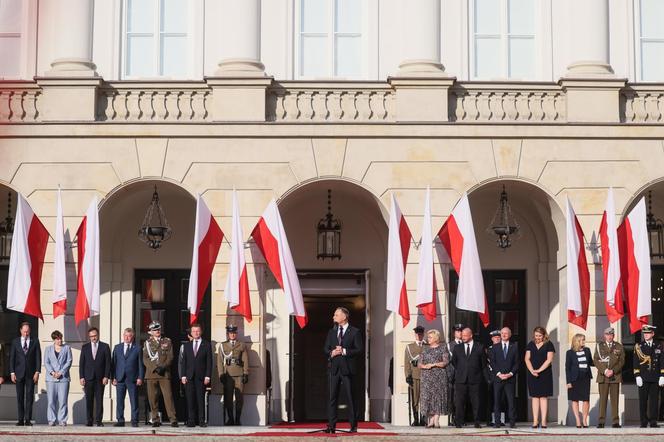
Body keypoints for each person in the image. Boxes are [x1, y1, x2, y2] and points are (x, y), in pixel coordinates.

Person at [322, 307, 363, 434]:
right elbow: (325, 349)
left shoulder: (355, 332)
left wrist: (344, 351)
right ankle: (331, 426)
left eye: (336, 315)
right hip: (334, 369)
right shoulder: (331, 332)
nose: (333, 317)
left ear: (344, 317)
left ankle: (353, 426)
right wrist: (332, 352)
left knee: (350, 397)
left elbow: (359, 349)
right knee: (332, 398)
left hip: (348, 369)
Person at [143, 321, 178, 427]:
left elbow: (170, 356)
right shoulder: (147, 343)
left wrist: (163, 367)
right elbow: (145, 359)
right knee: (153, 398)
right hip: (151, 374)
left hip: (164, 373)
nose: (157, 331)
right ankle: (155, 419)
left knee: (168, 397)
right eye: (155, 330)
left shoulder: (167, 341)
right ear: (151, 332)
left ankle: (173, 419)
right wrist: (154, 368)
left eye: (158, 329)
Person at [451, 327, 486, 428]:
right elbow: (454, 362)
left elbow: (483, 363)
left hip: (475, 379)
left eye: (465, 336)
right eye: (462, 336)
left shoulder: (479, 347)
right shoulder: (457, 348)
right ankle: (459, 422)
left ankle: (477, 421)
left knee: (476, 402)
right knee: (459, 402)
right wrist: (462, 370)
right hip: (461, 379)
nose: (463, 338)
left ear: (471, 335)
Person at [9, 322, 41, 426]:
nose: (26, 333)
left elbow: (38, 357)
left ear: (30, 331)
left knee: (29, 397)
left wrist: (37, 372)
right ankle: (20, 419)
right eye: (24, 331)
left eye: (28, 332)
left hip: (31, 374)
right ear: (21, 330)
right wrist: (12, 372)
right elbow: (12, 358)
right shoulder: (15, 342)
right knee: (20, 397)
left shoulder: (35, 341)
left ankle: (27, 419)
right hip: (18, 373)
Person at [111, 327, 144, 427]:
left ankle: (134, 420)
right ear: (123, 336)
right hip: (120, 378)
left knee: (134, 400)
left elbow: (140, 364)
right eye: (125, 335)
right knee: (119, 401)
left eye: (129, 336)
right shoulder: (117, 347)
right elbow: (113, 364)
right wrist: (113, 377)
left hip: (132, 378)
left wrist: (140, 377)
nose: (127, 338)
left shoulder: (137, 348)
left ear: (132, 337)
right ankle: (120, 420)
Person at [181, 323, 212, 427]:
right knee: (190, 399)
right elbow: (184, 361)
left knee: (200, 399)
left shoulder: (206, 345)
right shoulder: (187, 345)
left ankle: (201, 420)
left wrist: (208, 376)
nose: (196, 333)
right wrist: (183, 375)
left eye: (197, 331)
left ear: (201, 332)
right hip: (189, 376)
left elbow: (209, 362)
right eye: (194, 331)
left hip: (201, 377)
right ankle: (191, 420)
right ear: (191, 333)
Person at [592, 326, 624, 428]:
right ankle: (601, 421)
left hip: (615, 376)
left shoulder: (619, 346)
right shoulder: (599, 346)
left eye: (611, 334)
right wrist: (605, 370)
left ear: (613, 335)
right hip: (603, 376)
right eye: (607, 334)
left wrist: (613, 371)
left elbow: (622, 361)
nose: (609, 336)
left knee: (615, 400)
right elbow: (596, 360)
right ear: (604, 335)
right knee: (603, 399)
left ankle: (615, 422)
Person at [218, 324, 250, 426]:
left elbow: (245, 359)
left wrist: (245, 373)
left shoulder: (241, 345)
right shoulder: (223, 346)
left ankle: (237, 419)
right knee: (228, 398)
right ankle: (230, 418)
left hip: (239, 374)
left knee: (239, 398)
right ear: (228, 334)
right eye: (230, 333)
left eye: (234, 333)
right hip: (228, 375)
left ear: (236, 334)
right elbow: (219, 361)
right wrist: (221, 374)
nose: (232, 335)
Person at [79, 327, 111, 426]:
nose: (93, 338)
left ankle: (99, 421)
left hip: (100, 378)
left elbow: (108, 363)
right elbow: (82, 363)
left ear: (98, 335)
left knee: (99, 400)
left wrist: (106, 376)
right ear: (89, 337)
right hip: (88, 378)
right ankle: (89, 420)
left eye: (95, 336)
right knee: (89, 400)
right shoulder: (85, 347)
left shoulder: (105, 346)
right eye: (91, 336)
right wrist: (81, 377)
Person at [418, 329, 450, 428]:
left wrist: (434, 364)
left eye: (430, 337)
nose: (428, 339)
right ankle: (430, 420)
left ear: (436, 338)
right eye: (428, 337)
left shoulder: (443, 348)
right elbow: (419, 363)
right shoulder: (425, 349)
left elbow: (445, 362)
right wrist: (424, 366)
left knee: (438, 397)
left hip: (439, 377)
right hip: (427, 377)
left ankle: (436, 420)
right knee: (428, 398)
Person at [634, 324, 664, 428]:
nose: (645, 335)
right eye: (644, 333)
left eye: (648, 333)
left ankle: (653, 421)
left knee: (654, 401)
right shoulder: (639, 346)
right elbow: (636, 362)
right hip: (643, 377)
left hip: (655, 377)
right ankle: (643, 421)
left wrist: (662, 375)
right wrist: (637, 375)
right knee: (643, 400)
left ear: (653, 334)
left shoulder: (658, 345)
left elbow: (661, 361)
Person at [525, 326, 555, 429]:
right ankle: (535, 421)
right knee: (534, 397)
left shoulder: (549, 344)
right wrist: (532, 370)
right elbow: (527, 359)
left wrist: (539, 370)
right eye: (536, 335)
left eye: (539, 336)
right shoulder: (530, 344)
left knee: (543, 397)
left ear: (544, 335)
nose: (537, 337)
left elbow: (549, 360)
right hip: (532, 374)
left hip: (544, 374)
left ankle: (543, 422)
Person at [488, 327, 518, 428]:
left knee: (511, 401)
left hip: (510, 379)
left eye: (506, 333)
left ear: (510, 335)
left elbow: (517, 363)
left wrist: (510, 374)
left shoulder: (514, 347)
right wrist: (499, 374)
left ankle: (512, 422)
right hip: (498, 378)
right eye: (502, 333)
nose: (504, 335)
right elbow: (493, 362)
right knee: (497, 401)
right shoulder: (495, 347)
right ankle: (497, 422)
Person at [44, 330, 72, 426]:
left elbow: (69, 361)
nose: (60, 341)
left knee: (63, 400)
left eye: (61, 338)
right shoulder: (48, 349)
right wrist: (52, 372)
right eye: (58, 339)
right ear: (54, 339)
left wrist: (61, 372)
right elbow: (46, 362)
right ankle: (51, 419)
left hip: (63, 378)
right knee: (51, 400)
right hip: (51, 379)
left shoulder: (67, 348)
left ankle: (62, 419)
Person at [565, 333, 593, 428]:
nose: (584, 342)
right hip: (574, 379)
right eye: (582, 340)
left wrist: (601, 360)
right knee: (575, 399)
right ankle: (577, 419)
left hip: (585, 378)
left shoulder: (587, 350)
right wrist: (568, 382)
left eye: (584, 340)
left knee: (586, 400)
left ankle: (584, 420)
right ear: (577, 341)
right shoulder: (570, 353)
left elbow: (591, 362)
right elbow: (567, 368)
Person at [404, 325, 426, 426]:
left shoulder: (427, 346)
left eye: (420, 334)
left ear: (423, 334)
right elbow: (407, 363)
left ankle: (423, 418)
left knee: (425, 398)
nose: (419, 336)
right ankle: (416, 418)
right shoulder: (410, 347)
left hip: (426, 376)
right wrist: (408, 376)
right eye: (417, 334)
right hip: (415, 376)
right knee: (415, 399)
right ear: (415, 335)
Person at [447, 323, 464, 426]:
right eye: (458, 331)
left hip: (464, 375)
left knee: (463, 398)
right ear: (454, 333)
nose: (460, 333)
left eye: (461, 331)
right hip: (453, 376)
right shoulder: (449, 345)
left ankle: (462, 418)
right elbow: (448, 361)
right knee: (453, 398)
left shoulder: (467, 344)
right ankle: (453, 418)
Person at [484, 330, 501, 426]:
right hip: (491, 376)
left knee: (501, 399)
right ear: (492, 339)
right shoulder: (488, 350)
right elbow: (486, 364)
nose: (497, 338)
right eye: (495, 337)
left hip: (501, 377)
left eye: (499, 337)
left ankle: (500, 420)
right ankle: (489, 420)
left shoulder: (504, 348)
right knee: (490, 399)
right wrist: (487, 377)